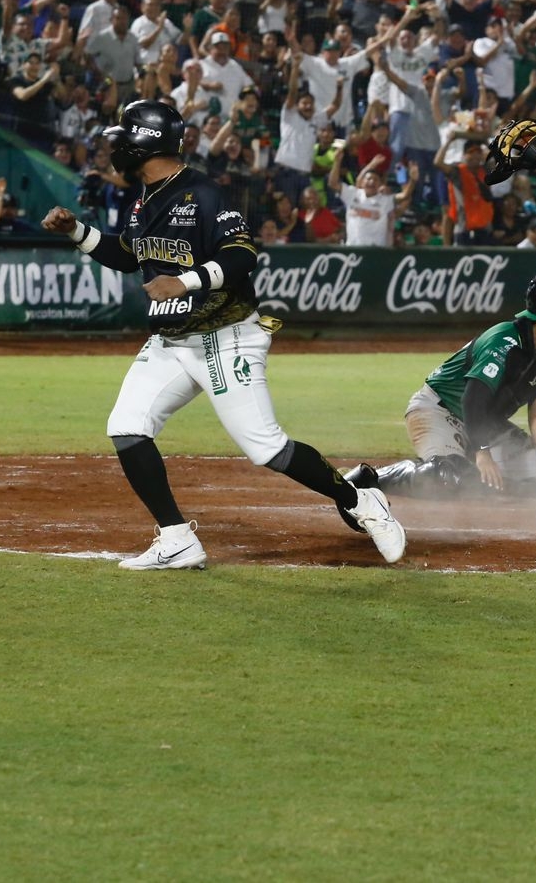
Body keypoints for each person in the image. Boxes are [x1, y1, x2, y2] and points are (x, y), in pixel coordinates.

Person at [40, 99, 406, 570]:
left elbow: (242, 256)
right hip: (172, 340)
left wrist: (186, 280)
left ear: (144, 143)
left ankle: (359, 500)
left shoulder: (203, 193)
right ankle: (176, 539)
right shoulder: (146, 197)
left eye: (123, 137)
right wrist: (77, 231)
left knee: (266, 447)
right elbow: (130, 254)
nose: (116, 146)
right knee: (127, 427)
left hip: (226, 335)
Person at [346, 269, 536, 498]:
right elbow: (473, 398)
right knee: (449, 477)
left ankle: (473, 471)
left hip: (486, 424)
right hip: (440, 411)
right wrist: (482, 451)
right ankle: (367, 478)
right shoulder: (504, 339)